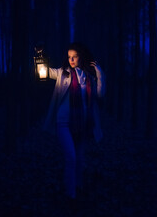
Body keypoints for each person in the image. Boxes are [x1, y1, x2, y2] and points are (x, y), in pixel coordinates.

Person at [43, 42, 106, 208]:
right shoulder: (62, 74)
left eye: (75, 56)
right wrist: (39, 59)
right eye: (69, 56)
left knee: (79, 158)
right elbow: (45, 73)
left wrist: (100, 73)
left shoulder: (88, 77)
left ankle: (78, 187)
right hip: (63, 123)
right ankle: (71, 195)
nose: (71, 59)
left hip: (83, 124)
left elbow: (100, 93)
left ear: (81, 57)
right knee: (71, 157)